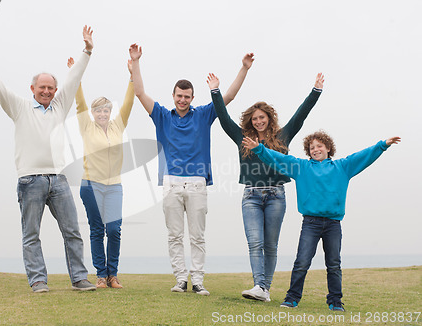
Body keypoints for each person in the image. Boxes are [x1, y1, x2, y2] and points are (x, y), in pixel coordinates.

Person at [0, 26, 96, 293]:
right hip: (30, 180)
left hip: (58, 180)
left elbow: (74, 79)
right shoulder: (21, 107)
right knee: (31, 235)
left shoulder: (60, 106)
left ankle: (79, 278)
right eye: (42, 87)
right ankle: (38, 281)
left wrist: (87, 51)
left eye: (51, 88)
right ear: (33, 88)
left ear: (55, 90)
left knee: (72, 232)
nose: (46, 91)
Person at [129, 43, 254, 296]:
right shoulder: (163, 116)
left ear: (192, 98)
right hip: (171, 182)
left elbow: (228, 97)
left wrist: (243, 68)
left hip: (197, 183)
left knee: (197, 236)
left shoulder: (204, 114)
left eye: (187, 96)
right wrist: (136, 63)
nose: (183, 100)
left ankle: (197, 281)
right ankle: (180, 280)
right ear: (173, 95)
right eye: (179, 96)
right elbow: (140, 93)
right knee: (175, 236)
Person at [242, 131, 401, 311]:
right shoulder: (301, 167)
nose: (315, 149)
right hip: (310, 223)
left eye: (319, 146)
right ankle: (291, 299)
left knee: (333, 264)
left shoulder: (342, 167)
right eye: (311, 148)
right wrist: (260, 150)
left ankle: (335, 301)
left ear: (328, 148)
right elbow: (279, 159)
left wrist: (382, 145)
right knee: (301, 262)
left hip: (333, 224)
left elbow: (362, 156)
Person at [206, 72, 324, 302]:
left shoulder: (283, 136)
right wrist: (215, 91)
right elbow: (222, 117)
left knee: (270, 245)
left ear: (269, 118)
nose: (259, 121)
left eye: (262, 118)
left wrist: (315, 91)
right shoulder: (242, 137)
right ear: (251, 121)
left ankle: (264, 289)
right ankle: (260, 285)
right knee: (255, 243)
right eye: (255, 119)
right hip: (250, 195)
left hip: (276, 195)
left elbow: (301, 115)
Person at [66, 57, 134, 289]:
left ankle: (113, 275)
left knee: (114, 230)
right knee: (97, 230)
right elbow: (80, 102)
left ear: (110, 111)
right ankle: (101, 276)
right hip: (90, 184)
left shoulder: (118, 125)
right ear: (93, 113)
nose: (103, 114)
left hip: (114, 185)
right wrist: (77, 76)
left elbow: (129, 101)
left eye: (106, 110)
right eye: (99, 111)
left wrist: (132, 74)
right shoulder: (86, 125)